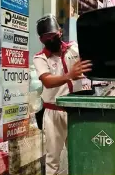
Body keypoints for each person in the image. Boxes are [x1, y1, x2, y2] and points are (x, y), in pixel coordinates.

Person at [33, 14, 92, 175]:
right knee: (53, 159)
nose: (50, 39)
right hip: (54, 112)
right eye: (46, 38)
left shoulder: (74, 48)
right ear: (41, 40)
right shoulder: (40, 57)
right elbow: (47, 81)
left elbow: (90, 62)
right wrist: (69, 75)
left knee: (79, 153)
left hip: (76, 110)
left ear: (60, 32)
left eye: (52, 35)